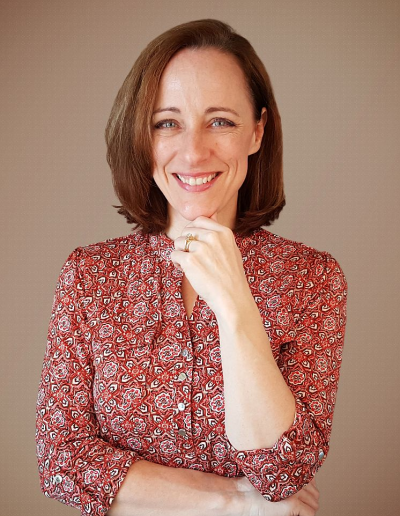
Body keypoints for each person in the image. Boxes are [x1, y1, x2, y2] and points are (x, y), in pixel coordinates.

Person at [36, 19, 347, 516]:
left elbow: (283, 471)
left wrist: (234, 303)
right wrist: (236, 503)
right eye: (167, 123)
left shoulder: (311, 279)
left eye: (220, 121)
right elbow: (62, 461)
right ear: (142, 137)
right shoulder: (89, 276)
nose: (194, 151)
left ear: (257, 131)